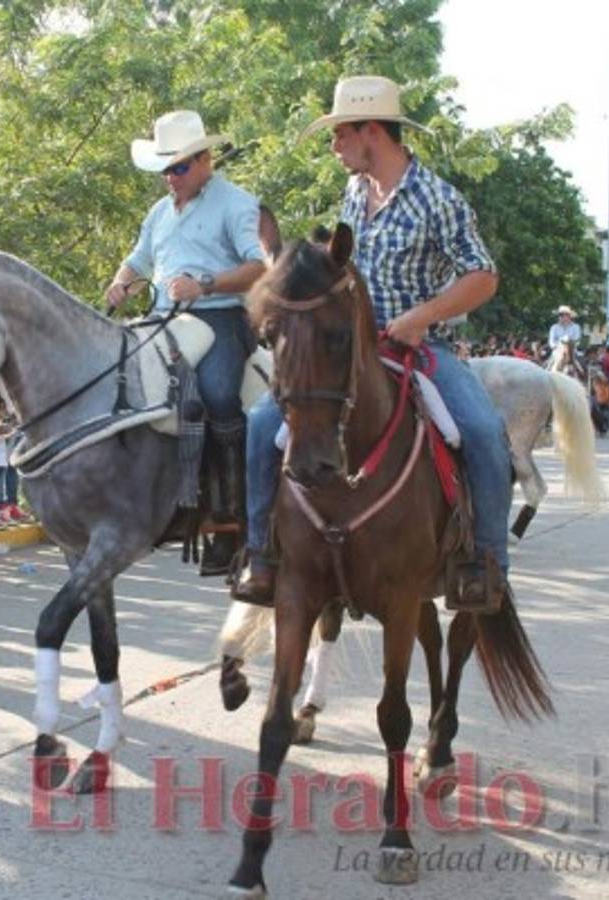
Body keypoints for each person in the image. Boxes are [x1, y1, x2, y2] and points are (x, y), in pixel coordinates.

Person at [235, 75, 508, 611]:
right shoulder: (354, 193)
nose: (334, 146)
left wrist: (422, 316)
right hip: (345, 347)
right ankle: (260, 553)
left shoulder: (438, 197)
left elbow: (483, 275)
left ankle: (485, 563)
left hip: (419, 350)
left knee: (483, 431)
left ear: (371, 132)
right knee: (263, 423)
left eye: (340, 134)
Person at [105, 109, 267, 575]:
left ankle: (229, 518)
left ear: (204, 160)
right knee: (119, 384)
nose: (169, 178)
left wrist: (206, 285)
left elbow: (258, 268)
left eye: (177, 168)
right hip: (163, 320)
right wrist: (122, 282)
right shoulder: (158, 213)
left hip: (219, 319)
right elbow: (136, 260)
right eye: (164, 169)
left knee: (218, 395)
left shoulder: (236, 203)